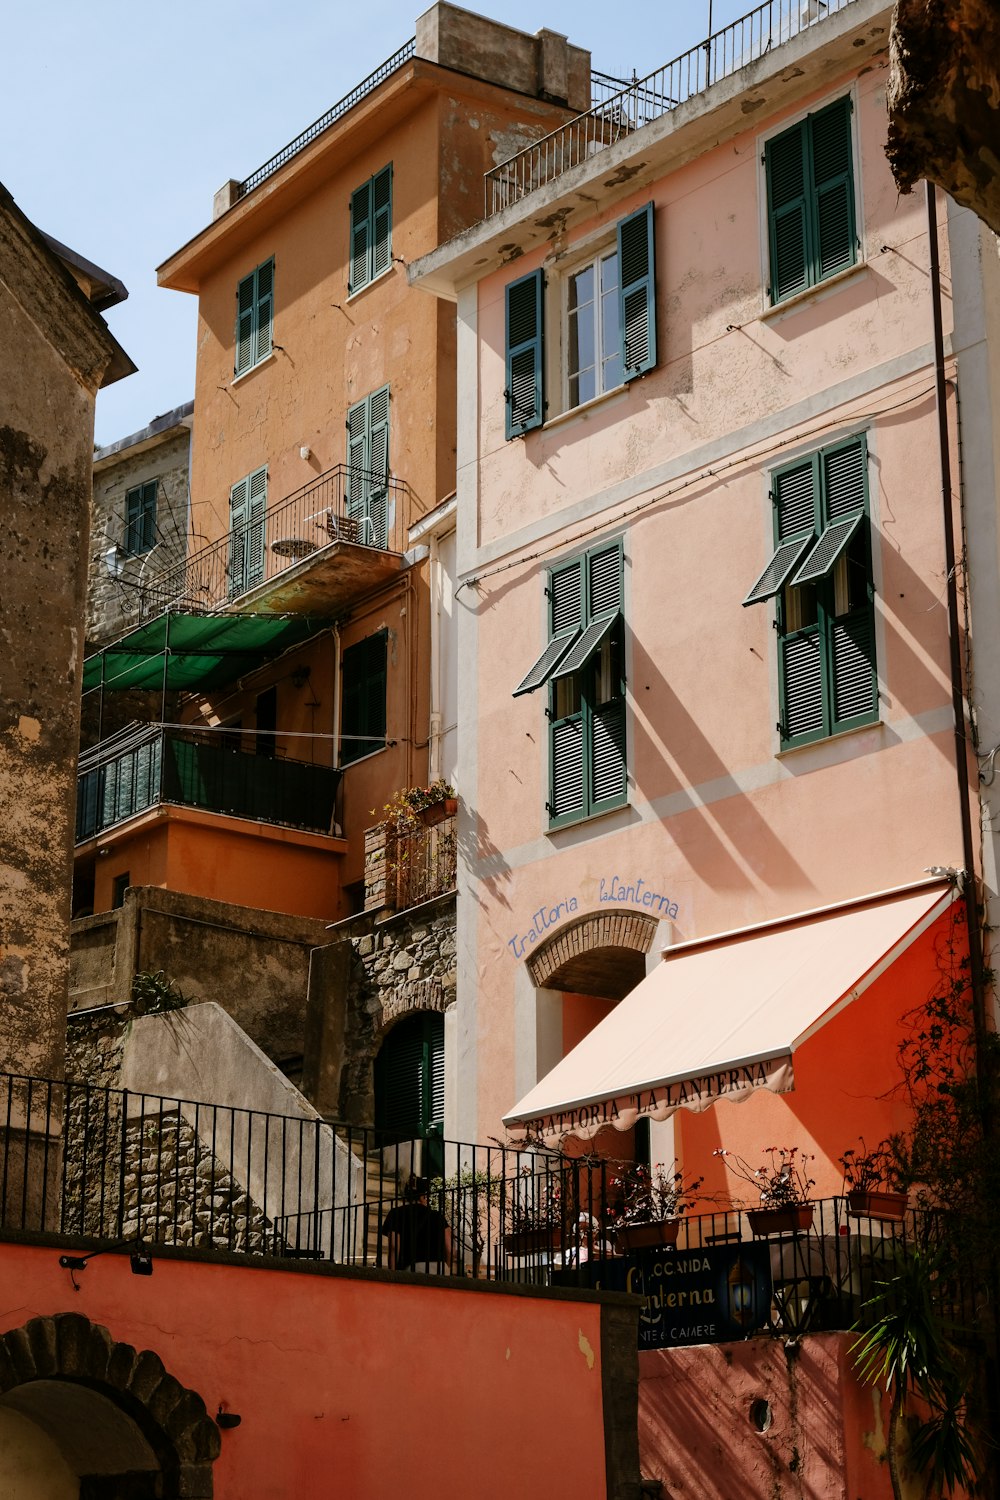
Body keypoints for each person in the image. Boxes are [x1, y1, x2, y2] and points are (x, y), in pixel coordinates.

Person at [381, 1175, 452, 1273]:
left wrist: (392, 1272)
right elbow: (449, 1247)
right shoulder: (438, 1216)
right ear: (423, 1196)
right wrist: (447, 1267)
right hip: (440, 1267)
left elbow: (394, 1246)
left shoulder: (396, 1213)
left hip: (414, 1267)